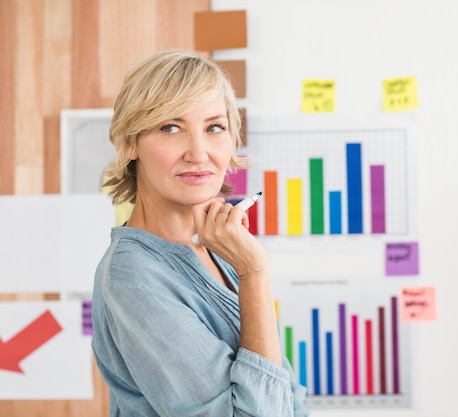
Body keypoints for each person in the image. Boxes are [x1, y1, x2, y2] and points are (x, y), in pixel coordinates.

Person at [91, 49, 309, 417]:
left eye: (214, 128)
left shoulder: (220, 246)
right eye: (170, 127)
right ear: (130, 144)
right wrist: (254, 273)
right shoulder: (133, 277)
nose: (199, 152)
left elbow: (288, 397)